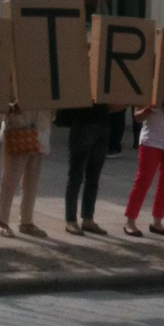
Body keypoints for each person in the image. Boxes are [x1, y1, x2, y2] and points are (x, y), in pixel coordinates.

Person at [123, 105, 164, 237]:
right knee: (143, 181)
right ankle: (130, 221)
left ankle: (157, 221)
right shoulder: (149, 92)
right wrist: (151, 107)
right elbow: (137, 117)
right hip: (151, 139)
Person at [0, 103, 52, 238]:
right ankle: (1, 222)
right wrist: (9, 108)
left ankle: (27, 221)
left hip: (41, 127)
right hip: (19, 126)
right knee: (10, 178)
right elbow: (0, 101)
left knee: (32, 181)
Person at [57, 101, 111, 236]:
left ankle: (88, 218)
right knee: (76, 176)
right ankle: (71, 219)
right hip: (82, 123)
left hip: (102, 122)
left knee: (93, 177)